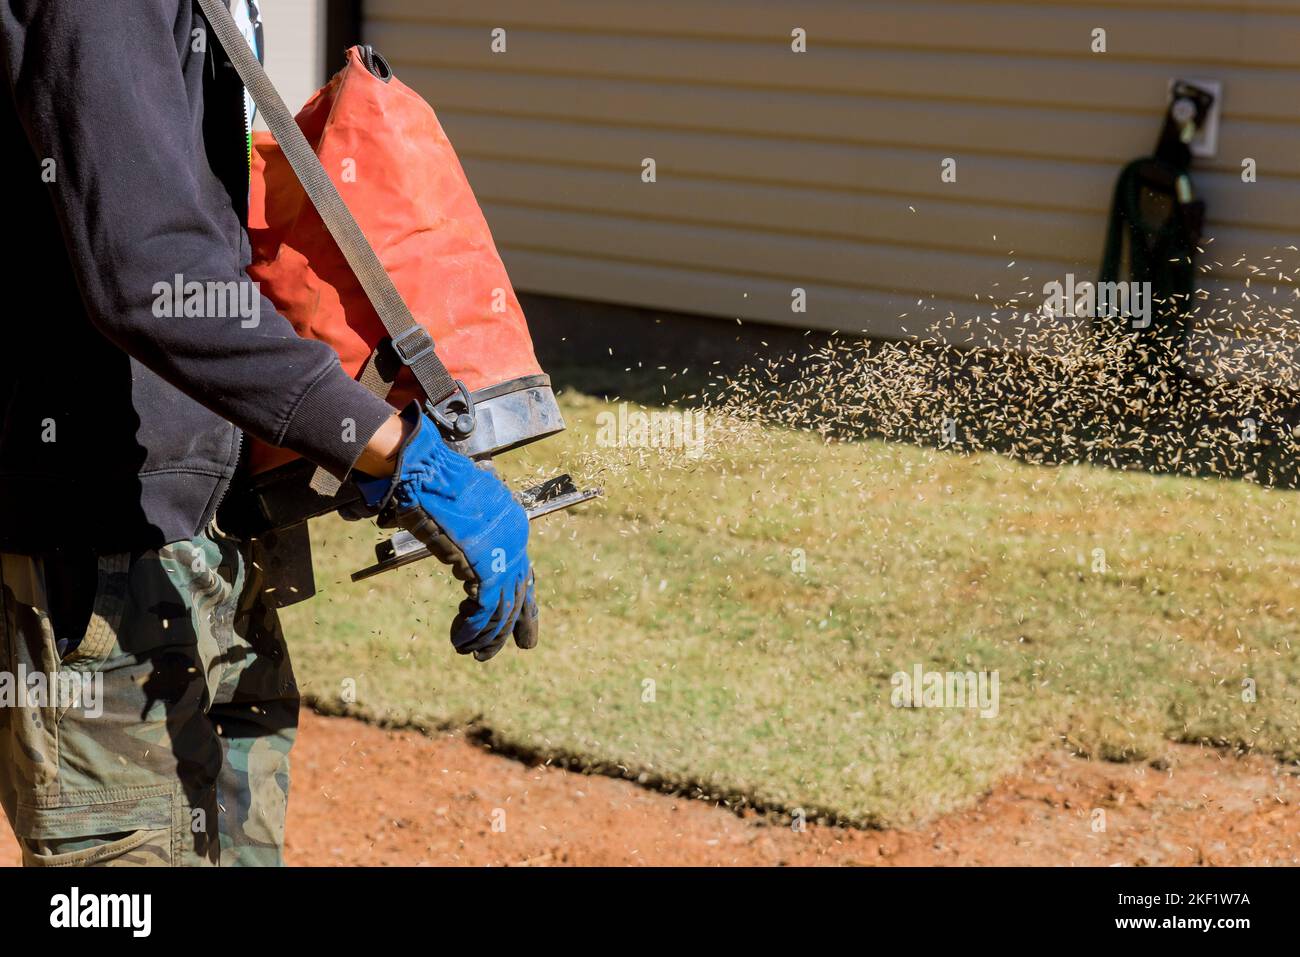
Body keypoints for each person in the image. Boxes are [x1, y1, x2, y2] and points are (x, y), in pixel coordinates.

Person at [0, 0, 536, 867]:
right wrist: (387, 446)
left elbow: (201, 233)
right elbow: (151, 272)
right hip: (102, 550)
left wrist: (329, 416)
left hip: (208, 528)